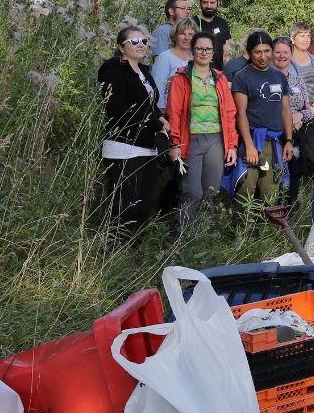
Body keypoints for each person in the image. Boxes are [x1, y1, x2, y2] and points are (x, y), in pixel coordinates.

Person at [97, 26, 168, 243]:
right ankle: (115, 253)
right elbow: (117, 108)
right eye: (134, 42)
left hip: (147, 146)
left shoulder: (145, 71)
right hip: (123, 147)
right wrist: (154, 123)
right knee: (124, 207)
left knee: (143, 205)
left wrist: (161, 119)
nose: (141, 45)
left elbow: (150, 104)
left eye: (144, 41)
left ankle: (135, 254)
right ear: (121, 46)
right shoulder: (113, 70)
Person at [165, 32, 238, 229]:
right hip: (191, 139)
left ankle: (203, 237)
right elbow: (174, 112)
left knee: (211, 191)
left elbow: (230, 113)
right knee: (192, 191)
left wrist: (231, 145)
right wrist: (175, 143)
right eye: (199, 48)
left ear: (213, 52)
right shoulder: (181, 77)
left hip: (216, 140)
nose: (204, 52)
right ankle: (183, 238)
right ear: (193, 50)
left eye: (208, 49)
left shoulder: (220, 78)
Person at [229, 31, 294, 202]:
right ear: (249, 52)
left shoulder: (279, 76)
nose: (263, 56)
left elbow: (285, 109)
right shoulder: (242, 77)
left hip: (274, 142)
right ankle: (243, 228)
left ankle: (268, 228)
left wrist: (288, 140)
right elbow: (240, 113)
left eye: (266, 51)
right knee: (246, 188)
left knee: (270, 191)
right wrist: (249, 145)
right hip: (251, 140)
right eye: (258, 52)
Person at [271, 36, 314, 203]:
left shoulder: (297, 80)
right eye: (278, 52)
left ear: (291, 54)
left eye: (286, 52)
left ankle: (291, 209)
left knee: (295, 170)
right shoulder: (266, 78)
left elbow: (309, 110)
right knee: (275, 171)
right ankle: (273, 208)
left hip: (296, 133)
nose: (282, 56)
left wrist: (299, 116)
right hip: (274, 134)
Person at [289, 22, 314, 184]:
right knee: (295, 156)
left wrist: (313, 108)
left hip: (312, 114)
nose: (306, 39)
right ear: (293, 38)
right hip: (291, 116)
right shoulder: (286, 59)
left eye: (308, 35)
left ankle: (311, 191)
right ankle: (292, 195)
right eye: (301, 35)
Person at [151, 17, 195, 111]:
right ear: (175, 35)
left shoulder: (198, 57)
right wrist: (162, 114)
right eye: (182, 34)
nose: (187, 38)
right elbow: (158, 89)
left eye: (191, 34)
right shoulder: (164, 58)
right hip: (171, 112)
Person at [192, 0, 231, 69]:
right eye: (205, 2)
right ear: (200, 3)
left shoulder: (222, 23)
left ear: (218, 3)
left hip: (218, 72)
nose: (208, 6)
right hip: (196, 71)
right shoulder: (192, 22)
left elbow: (227, 51)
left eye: (212, 2)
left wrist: (226, 72)